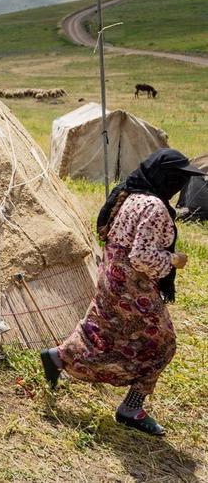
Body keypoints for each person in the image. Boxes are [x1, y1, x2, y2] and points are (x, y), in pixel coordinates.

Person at [41, 149, 204, 436]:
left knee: (104, 329)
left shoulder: (131, 195)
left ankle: (58, 357)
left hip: (111, 276)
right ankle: (131, 408)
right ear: (165, 178)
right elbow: (141, 256)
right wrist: (173, 260)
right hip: (132, 286)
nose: (180, 185)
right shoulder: (154, 206)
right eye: (177, 179)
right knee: (162, 343)